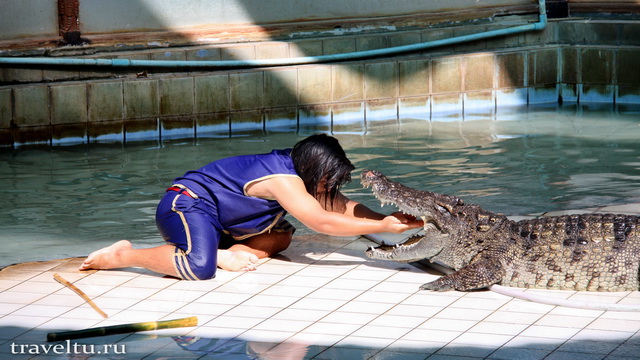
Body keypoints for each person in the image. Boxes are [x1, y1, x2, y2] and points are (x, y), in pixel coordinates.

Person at [79, 134, 423, 280]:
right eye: (327, 181)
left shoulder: (303, 174)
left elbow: (341, 207)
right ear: (314, 170)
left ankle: (222, 252)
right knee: (199, 269)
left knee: (282, 237)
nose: (329, 188)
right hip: (186, 206)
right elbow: (323, 222)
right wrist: (382, 228)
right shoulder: (283, 179)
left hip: (225, 225)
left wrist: (388, 219)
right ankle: (123, 255)